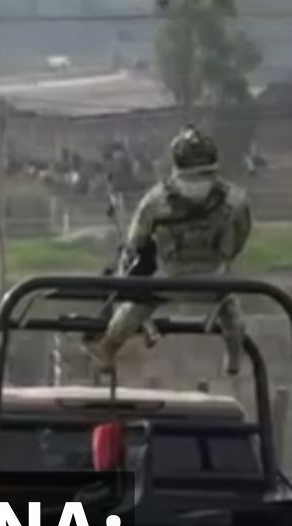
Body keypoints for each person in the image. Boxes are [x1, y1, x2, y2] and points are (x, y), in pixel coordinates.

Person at [90, 125, 253, 376]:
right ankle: (233, 357)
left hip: (168, 279)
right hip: (215, 281)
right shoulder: (236, 199)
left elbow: (136, 241)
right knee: (231, 309)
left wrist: (137, 264)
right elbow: (242, 235)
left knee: (135, 306)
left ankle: (107, 350)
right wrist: (223, 256)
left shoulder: (156, 199)